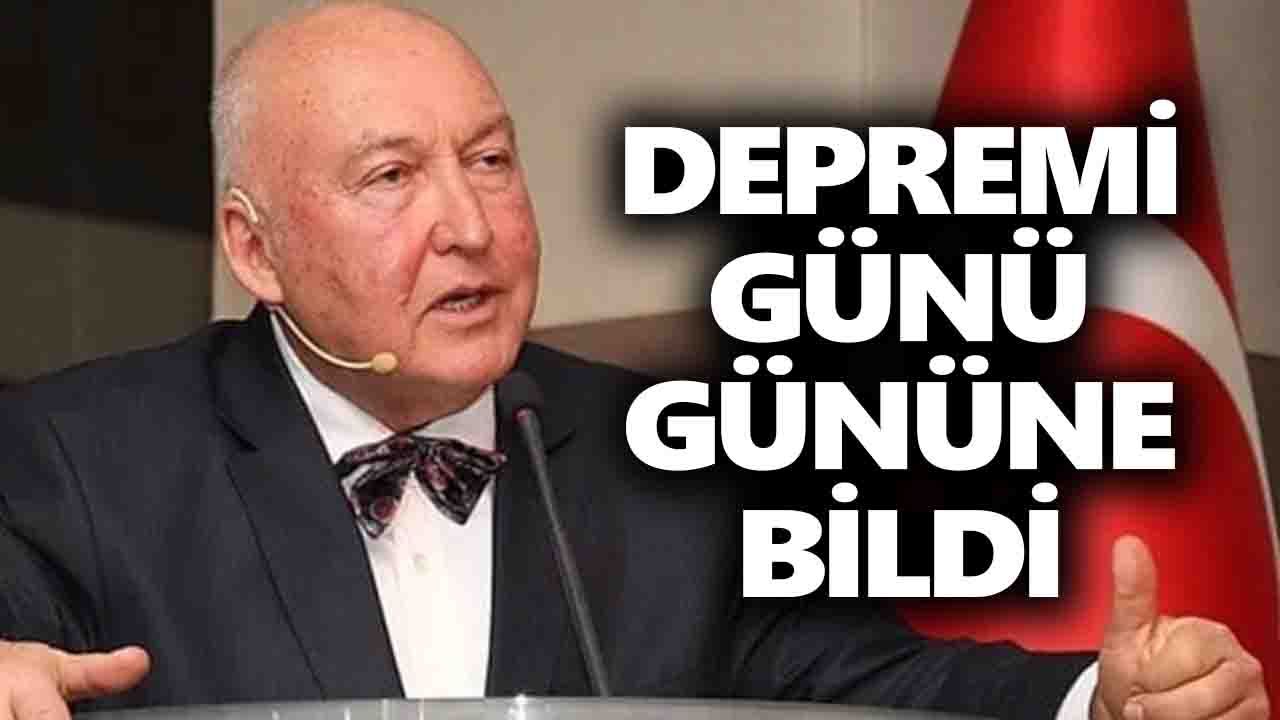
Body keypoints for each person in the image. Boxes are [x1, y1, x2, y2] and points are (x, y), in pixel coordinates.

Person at [0, 3, 1266, 720]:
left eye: (489, 160)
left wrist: (1096, 700)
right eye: (391, 177)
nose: (470, 223)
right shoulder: (78, 460)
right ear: (253, 247)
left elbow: (869, 683)